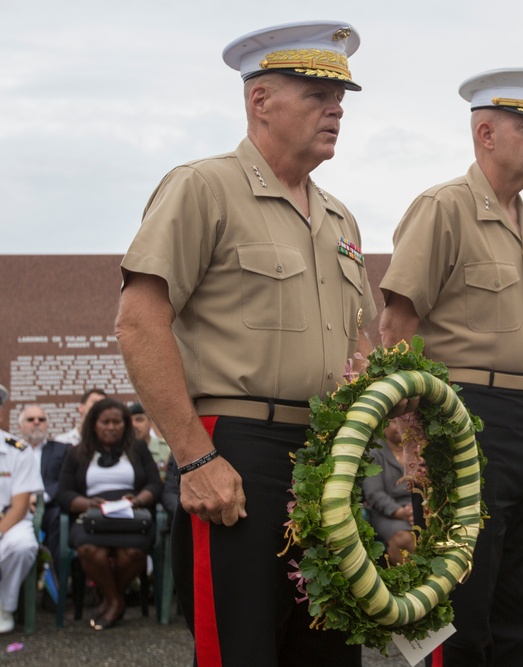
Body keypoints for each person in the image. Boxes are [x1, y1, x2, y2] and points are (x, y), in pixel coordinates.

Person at [114, 21, 376, 665]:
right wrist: (196, 459)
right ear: (260, 100)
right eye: (316, 92)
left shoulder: (340, 216)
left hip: (329, 453)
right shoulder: (204, 187)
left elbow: (357, 344)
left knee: (330, 648)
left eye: (341, 95)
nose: (336, 107)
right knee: (243, 647)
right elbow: (139, 320)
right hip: (236, 449)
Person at [379, 67, 523, 666]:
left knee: (521, 605)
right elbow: (397, 328)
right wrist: (410, 442)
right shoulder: (444, 208)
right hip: (463, 416)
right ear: (485, 133)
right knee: (459, 601)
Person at [54, 398, 162, 630]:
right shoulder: (77, 453)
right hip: (91, 517)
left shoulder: (139, 449)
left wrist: (138, 500)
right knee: (89, 550)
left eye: (117, 422)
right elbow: (63, 493)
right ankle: (115, 601)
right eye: (105, 422)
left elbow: (154, 485)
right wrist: (88, 503)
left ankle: (108, 600)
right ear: (94, 424)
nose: (111, 427)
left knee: (133, 553)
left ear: (125, 425)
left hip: (131, 518)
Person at [0, 402, 44, 633]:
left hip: (9, 520)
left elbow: (19, 506)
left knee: (23, 547)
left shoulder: (18, 450)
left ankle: (4, 606)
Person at [16, 405, 69, 578]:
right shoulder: (11, 451)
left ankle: (54, 589)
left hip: (48, 508)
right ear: (20, 426)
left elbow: (64, 480)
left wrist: (39, 499)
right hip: (15, 509)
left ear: (48, 424)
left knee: (58, 519)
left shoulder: (62, 449)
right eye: (30, 420)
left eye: (42, 419)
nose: (36, 423)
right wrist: (23, 501)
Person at [361, 420, 416, 566]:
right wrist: (400, 512)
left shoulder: (417, 449)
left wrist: (416, 509)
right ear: (383, 425)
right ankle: (410, 582)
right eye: (394, 422)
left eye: (404, 421)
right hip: (387, 514)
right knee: (404, 539)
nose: (400, 426)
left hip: (417, 509)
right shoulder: (373, 452)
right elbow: (374, 494)